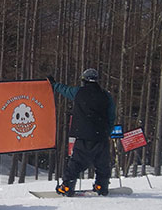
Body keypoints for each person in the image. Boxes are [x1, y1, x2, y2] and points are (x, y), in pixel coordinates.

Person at [48, 68, 116, 196]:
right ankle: (102, 186)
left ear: (84, 80)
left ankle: (67, 186)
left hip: (83, 135)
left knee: (77, 162)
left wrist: (54, 84)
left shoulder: (78, 92)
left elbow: (65, 90)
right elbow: (111, 115)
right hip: (101, 136)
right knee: (102, 163)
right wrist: (108, 131)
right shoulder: (106, 95)